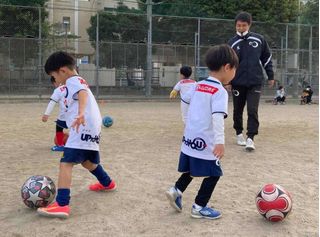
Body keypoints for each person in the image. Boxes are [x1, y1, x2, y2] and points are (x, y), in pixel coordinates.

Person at [37, 51, 116, 218]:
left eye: (53, 75)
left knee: (66, 163)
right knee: (87, 162)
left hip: (84, 125)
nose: (55, 80)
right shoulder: (76, 81)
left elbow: (82, 94)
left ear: (63, 71)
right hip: (91, 127)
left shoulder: (73, 80)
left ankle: (62, 204)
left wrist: (80, 114)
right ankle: (107, 183)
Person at [166, 44, 238, 220]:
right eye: (235, 68)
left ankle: (176, 190)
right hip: (206, 141)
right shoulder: (219, 91)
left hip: (190, 139)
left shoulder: (197, 85)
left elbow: (185, 98)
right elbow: (217, 118)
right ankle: (199, 207)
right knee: (214, 173)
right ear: (227, 67)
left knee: (192, 168)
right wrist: (220, 142)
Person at [227, 11, 274, 151]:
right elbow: (228, 64)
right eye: (238, 25)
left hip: (255, 81)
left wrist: (270, 76)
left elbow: (267, 58)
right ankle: (239, 133)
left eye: (243, 25)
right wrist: (228, 81)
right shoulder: (231, 42)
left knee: (252, 110)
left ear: (249, 25)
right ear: (235, 25)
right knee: (237, 110)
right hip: (237, 82)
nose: (240, 28)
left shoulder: (259, 39)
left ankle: (250, 138)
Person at [42, 76, 68, 151]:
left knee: (59, 128)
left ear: (56, 81)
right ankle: (76, 145)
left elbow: (52, 102)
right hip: (74, 115)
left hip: (63, 116)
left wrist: (46, 114)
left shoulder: (58, 90)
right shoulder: (72, 87)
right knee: (75, 130)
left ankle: (60, 145)